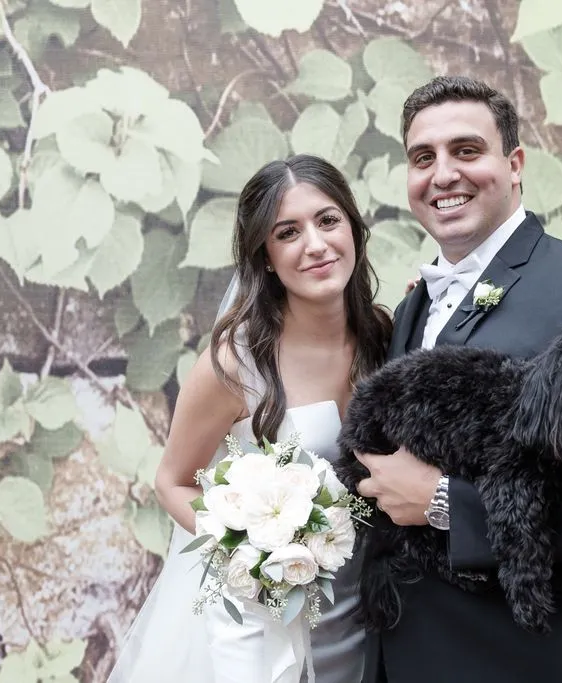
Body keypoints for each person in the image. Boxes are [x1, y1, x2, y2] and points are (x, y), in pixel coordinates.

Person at [353, 76, 562, 683]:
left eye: (466, 150)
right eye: (423, 158)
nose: (443, 174)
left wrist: (446, 505)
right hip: (408, 655)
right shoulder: (411, 308)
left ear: (514, 165)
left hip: (538, 663)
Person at [107, 154, 392, 683]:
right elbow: (172, 481)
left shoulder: (384, 336)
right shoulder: (235, 365)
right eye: (288, 233)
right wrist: (254, 553)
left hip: (371, 612)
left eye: (328, 220)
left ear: (353, 229)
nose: (315, 244)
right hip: (272, 622)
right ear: (266, 258)